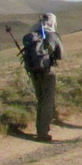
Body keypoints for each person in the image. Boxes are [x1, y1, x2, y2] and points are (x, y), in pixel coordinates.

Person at [22, 13, 64, 142]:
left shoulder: (31, 35)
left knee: (40, 100)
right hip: (47, 71)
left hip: (33, 71)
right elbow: (60, 55)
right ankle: (42, 133)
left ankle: (39, 128)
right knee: (47, 101)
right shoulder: (52, 35)